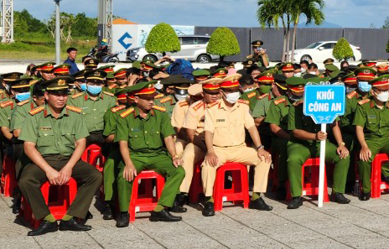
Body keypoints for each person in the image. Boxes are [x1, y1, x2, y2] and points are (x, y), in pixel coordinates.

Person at [18, 78, 102, 236]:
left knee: (95, 176)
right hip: (42, 161)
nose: (61, 98)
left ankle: (71, 217)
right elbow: (28, 147)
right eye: (57, 94)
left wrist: (69, 167)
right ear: (47, 95)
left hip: (68, 159)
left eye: (64, 94)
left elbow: (81, 143)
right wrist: (48, 170)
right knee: (26, 180)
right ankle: (46, 219)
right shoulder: (34, 116)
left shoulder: (75, 115)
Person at [114, 83, 185, 227]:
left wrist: (174, 156)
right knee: (124, 176)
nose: (151, 101)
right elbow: (123, 143)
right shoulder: (124, 117)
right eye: (147, 98)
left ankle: (160, 209)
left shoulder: (160, 114)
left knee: (178, 171)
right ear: (136, 99)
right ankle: (123, 212)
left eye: (152, 98)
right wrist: (128, 163)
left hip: (157, 154)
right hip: (135, 155)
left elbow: (168, 137)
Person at [200, 79, 273, 216]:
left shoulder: (243, 107)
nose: (233, 94)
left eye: (235, 91)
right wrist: (210, 151)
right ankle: (209, 200)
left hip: (240, 149)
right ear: (222, 92)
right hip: (219, 149)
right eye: (230, 91)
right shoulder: (212, 109)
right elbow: (208, 132)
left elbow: (251, 128)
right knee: (208, 165)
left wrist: (260, 148)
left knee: (265, 158)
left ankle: (256, 197)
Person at [282, 77, 351, 208]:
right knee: (293, 159)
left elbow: (334, 124)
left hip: (320, 144)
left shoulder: (328, 105)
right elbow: (295, 131)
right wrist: (314, 136)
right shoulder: (296, 107)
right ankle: (297, 195)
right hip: (300, 144)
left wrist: (341, 144)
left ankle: (338, 192)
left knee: (343, 156)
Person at [353, 76, 389, 201]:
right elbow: (359, 128)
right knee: (364, 159)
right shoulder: (363, 106)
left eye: (387, 91)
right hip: (370, 139)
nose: (385, 94)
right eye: (382, 91)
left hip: (387, 138)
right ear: (373, 92)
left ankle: (385, 170)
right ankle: (366, 189)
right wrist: (364, 146)